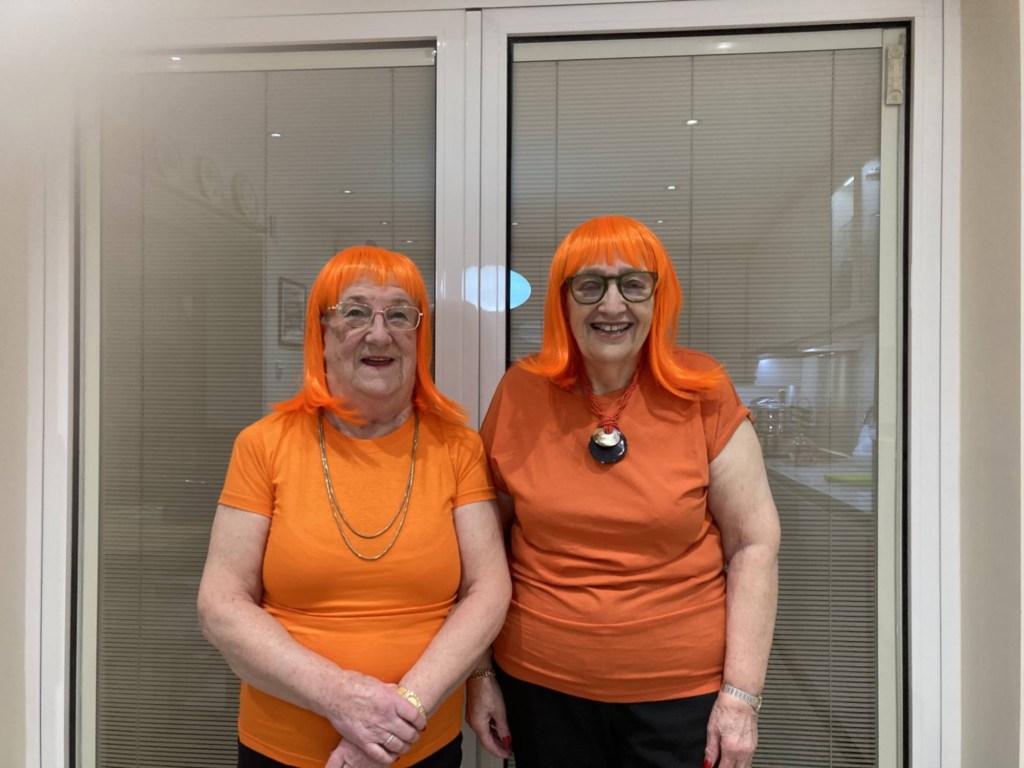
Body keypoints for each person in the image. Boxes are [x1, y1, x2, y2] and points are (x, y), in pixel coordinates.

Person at [467, 215, 780, 768]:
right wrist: (480, 672)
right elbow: (483, 544)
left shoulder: (703, 391)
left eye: (633, 284)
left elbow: (754, 545)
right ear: (563, 302)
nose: (612, 305)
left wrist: (741, 696)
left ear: (659, 297)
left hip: (680, 695)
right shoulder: (521, 391)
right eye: (590, 285)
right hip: (540, 688)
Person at [198, 245, 511, 768]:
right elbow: (220, 605)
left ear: (419, 337)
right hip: (281, 751)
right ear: (321, 332)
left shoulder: (457, 447)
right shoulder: (262, 446)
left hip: (422, 747)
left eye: (399, 315)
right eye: (356, 312)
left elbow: (488, 590)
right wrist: (343, 698)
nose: (379, 334)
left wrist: (394, 719)